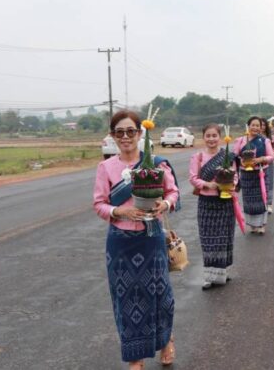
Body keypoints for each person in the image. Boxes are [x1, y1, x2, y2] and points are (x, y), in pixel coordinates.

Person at [92, 110, 180, 369]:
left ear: (140, 133)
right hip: (120, 243)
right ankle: (135, 358)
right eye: (119, 132)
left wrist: (165, 204)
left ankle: (166, 340)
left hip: (151, 238)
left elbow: (173, 192)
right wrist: (120, 212)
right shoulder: (105, 168)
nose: (125, 137)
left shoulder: (157, 164)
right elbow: (99, 204)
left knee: (161, 294)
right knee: (126, 299)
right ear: (113, 136)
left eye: (131, 131)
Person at [188, 123, 238, 289]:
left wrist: (230, 185)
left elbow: (235, 176)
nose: (211, 139)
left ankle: (223, 272)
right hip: (206, 203)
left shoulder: (227, 156)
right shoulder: (198, 157)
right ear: (203, 138)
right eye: (208, 136)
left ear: (220, 137)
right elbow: (193, 178)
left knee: (225, 238)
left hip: (225, 202)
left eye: (214, 135)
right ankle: (210, 277)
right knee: (208, 240)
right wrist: (208, 184)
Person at [233, 117, 274, 235]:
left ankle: (261, 225)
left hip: (260, 174)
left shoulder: (264, 141)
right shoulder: (241, 140)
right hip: (246, 175)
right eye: (253, 125)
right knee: (248, 200)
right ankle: (252, 225)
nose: (255, 128)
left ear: (261, 127)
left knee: (262, 199)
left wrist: (261, 159)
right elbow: (234, 156)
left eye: (258, 125)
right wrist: (241, 161)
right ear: (248, 126)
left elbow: (271, 157)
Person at [261, 117, 274, 213]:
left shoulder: (269, 138)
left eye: (263, 125)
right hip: (258, 164)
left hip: (268, 163)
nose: (261, 127)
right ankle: (262, 204)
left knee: (269, 183)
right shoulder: (251, 137)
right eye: (260, 125)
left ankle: (269, 204)